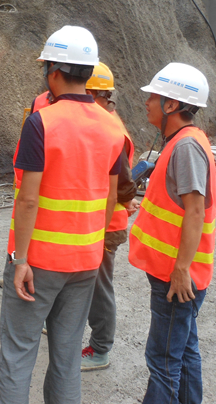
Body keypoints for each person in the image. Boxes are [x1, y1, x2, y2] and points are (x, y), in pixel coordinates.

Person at [0, 26, 125, 404]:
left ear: (53, 70)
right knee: (67, 359)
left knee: (18, 353)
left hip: (38, 261)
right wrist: (92, 246)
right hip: (85, 261)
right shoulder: (113, 127)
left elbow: (28, 200)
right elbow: (111, 195)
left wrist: (20, 259)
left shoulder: (42, 122)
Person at [129, 62, 216, 404]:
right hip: (175, 273)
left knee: (163, 360)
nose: (146, 102)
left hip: (176, 276)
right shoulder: (182, 142)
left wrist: (181, 269)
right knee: (184, 349)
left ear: (171, 105)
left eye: (153, 96)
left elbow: (195, 210)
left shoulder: (186, 147)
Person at [80, 62, 139, 371]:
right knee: (87, 282)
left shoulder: (110, 128)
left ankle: (101, 348)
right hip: (97, 220)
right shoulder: (103, 121)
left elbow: (125, 184)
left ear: (93, 94)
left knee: (98, 288)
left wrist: (125, 200)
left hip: (107, 225)